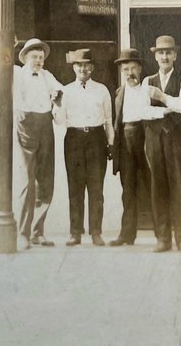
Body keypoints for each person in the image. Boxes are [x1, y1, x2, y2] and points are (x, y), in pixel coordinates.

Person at [142, 35, 181, 253]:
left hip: (179, 139)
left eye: (168, 52)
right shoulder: (147, 81)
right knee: (158, 186)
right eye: (160, 53)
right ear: (155, 56)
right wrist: (166, 108)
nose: (164, 56)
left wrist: (162, 97)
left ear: (175, 55)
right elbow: (142, 110)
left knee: (180, 186)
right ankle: (162, 238)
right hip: (154, 139)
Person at [58, 48, 114, 246]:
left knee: (96, 188)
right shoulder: (65, 91)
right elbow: (59, 121)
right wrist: (56, 104)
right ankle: (75, 232)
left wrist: (111, 143)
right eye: (79, 65)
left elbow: (108, 119)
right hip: (73, 139)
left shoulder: (102, 90)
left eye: (87, 65)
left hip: (96, 139)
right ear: (74, 67)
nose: (83, 69)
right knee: (75, 187)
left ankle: (96, 232)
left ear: (92, 67)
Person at [13, 38, 63, 249]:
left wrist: (57, 96)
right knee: (26, 181)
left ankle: (37, 232)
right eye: (34, 57)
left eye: (41, 57)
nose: (38, 61)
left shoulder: (47, 75)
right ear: (25, 58)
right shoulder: (16, 73)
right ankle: (22, 233)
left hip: (45, 126)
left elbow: (60, 90)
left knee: (45, 181)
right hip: (26, 126)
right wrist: (7, 45)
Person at [109, 47, 154, 247]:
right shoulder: (119, 93)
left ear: (141, 69)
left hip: (146, 140)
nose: (130, 73)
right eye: (126, 69)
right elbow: (116, 124)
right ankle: (127, 235)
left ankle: (163, 235)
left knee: (153, 186)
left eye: (133, 68)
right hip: (126, 143)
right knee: (128, 190)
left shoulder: (149, 90)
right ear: (121, 72)